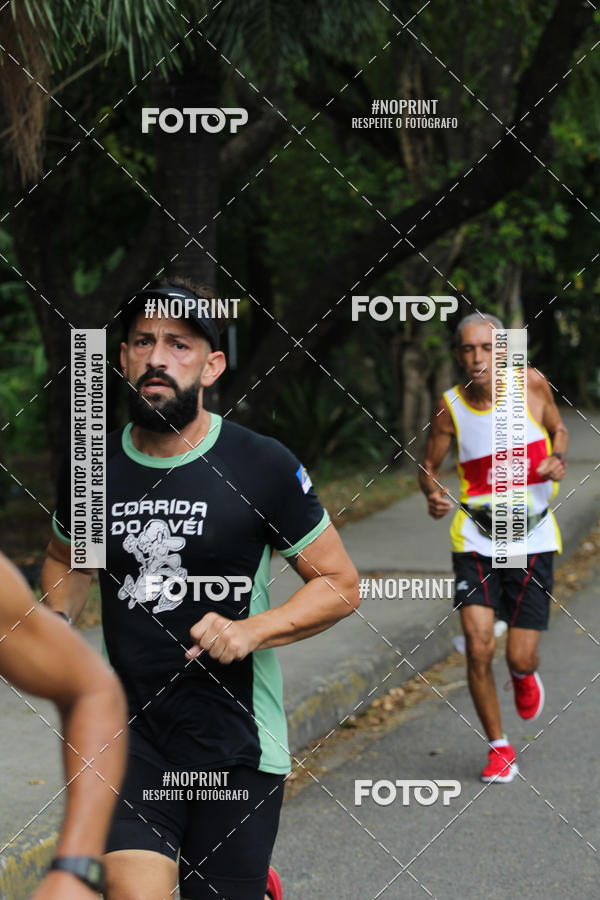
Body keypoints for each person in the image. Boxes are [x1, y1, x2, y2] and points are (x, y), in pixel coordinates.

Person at [42, 277, 360, 900]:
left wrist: (250, 630)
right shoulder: (92, 468)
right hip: (127, 734)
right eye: (143, 342)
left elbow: (340, 584)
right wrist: (55, 625)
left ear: (211, 365)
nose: (158, 357)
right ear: (123, 358)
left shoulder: (259, 465)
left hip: (233, 740)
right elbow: (66, 559)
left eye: (179, 344)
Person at [419, 313, 567, 783]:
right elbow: (428, 466)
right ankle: (499, 747)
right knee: (479, 647)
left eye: (487, 347)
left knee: (518, 655)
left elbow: (560, 431)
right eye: (468, 349)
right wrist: (432, 494)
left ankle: (523, 675)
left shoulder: (533, 386)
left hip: (532, 537)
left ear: (503, 350)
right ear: (458, 354)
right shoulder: (450, 407)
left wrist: (558, 458)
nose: (477, 358)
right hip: (476, 539)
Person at [0, 550, 126, 898]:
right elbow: (68, 556)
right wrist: (60, 617)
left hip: (220, 715)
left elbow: (92, 687)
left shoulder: (259, 493)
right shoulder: (90, 494)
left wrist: (76, 870)